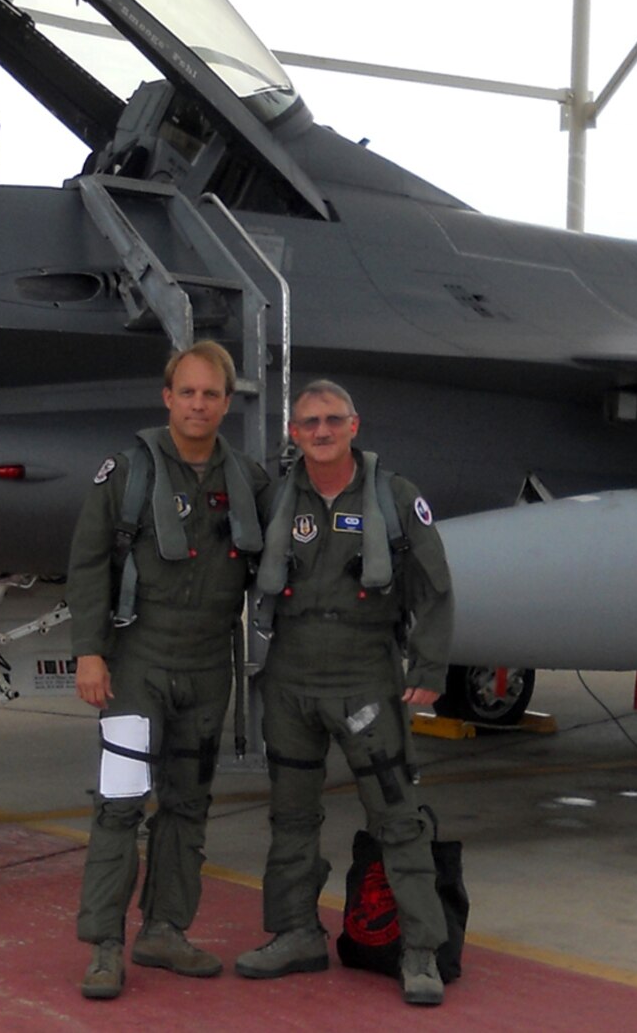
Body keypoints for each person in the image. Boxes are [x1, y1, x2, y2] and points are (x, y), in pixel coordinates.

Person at [235, 380, 455, 1006]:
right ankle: (295, 932)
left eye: (333, 420)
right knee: (291, 817)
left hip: (366, 674)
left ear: (355, 425)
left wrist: (429, 669)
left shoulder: (394, 496)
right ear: (294, 433)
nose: (322, 431)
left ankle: (419, 951)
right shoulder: (278, 496)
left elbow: (434, 589)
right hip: (291, 675)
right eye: (309, 423)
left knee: (397, 817)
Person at [63, 342, 272, 1001]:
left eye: (211, 394)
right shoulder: (128, 472)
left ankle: (164, 929)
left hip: (210, 667)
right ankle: (103, 946)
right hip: (138, 663)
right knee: (120, 804)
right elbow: (89, 563)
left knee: (187, 806)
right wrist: (90, 651)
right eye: (188, 391)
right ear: (167, 396)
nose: (199, 404)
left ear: (227, 402)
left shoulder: (249, 480)